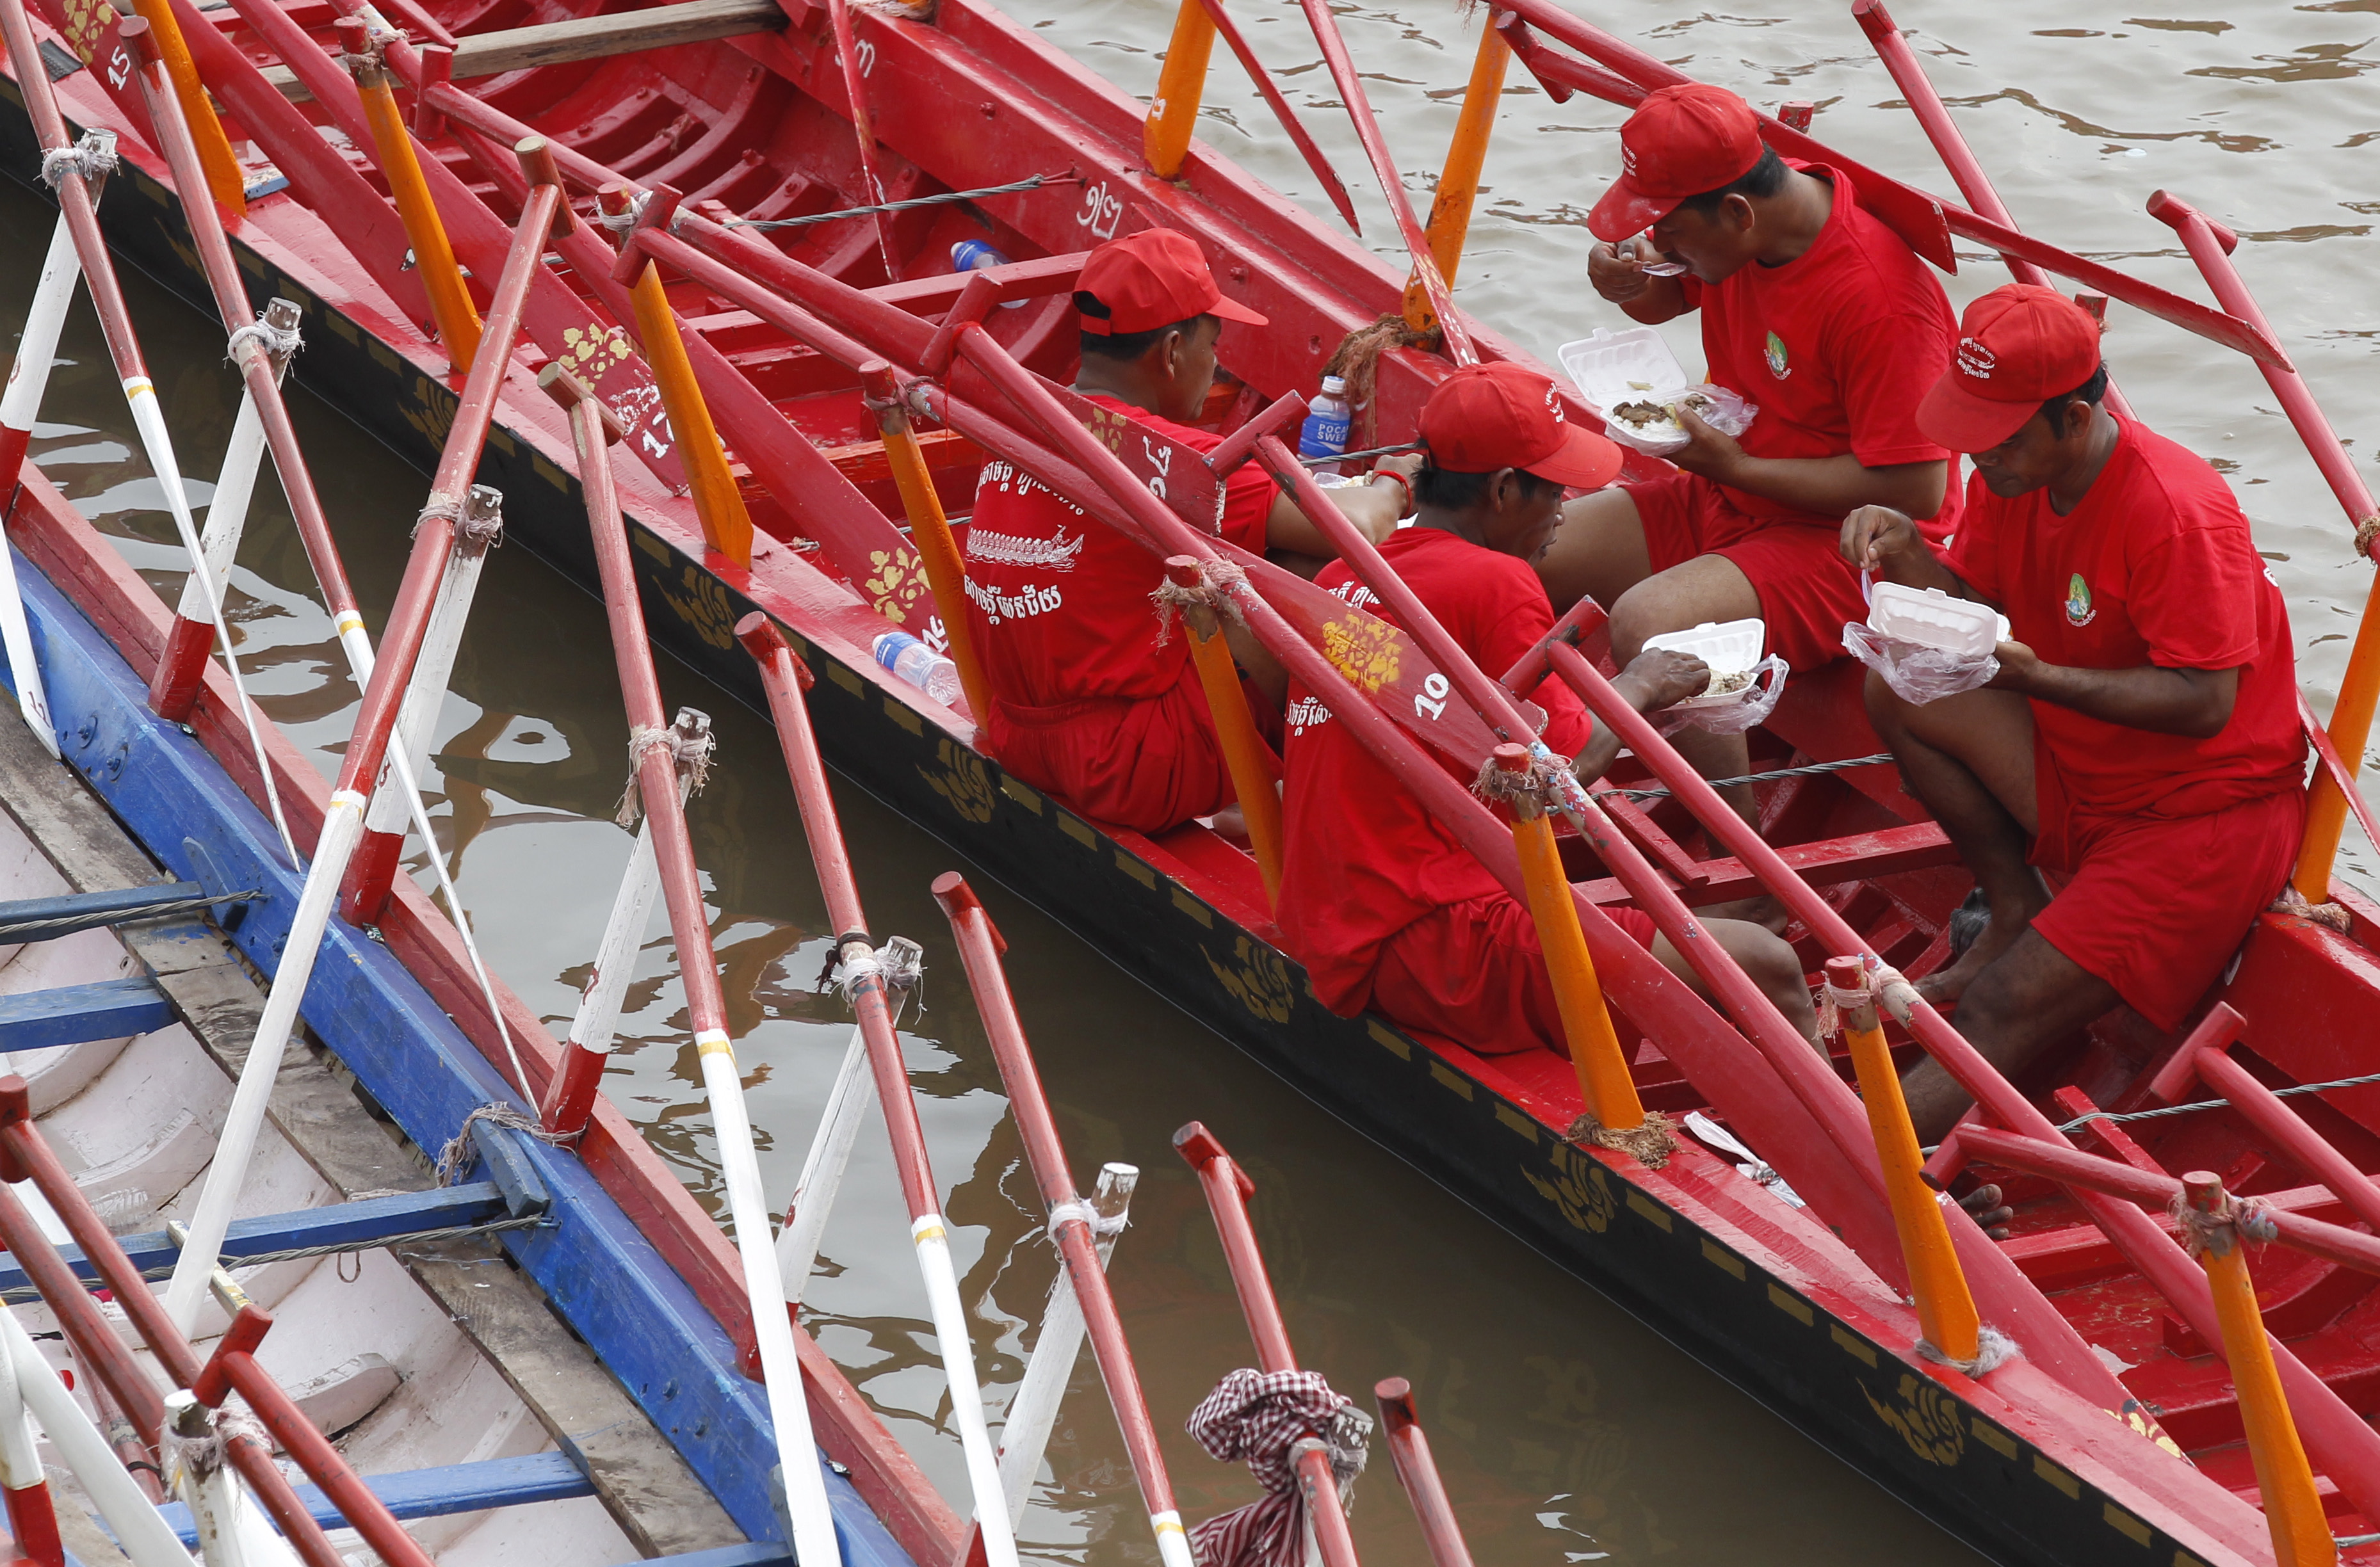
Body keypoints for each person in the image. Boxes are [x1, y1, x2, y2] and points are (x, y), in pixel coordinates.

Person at [1842, 285, 2307, 1140]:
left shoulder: (2175, 512)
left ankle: (1831, 1183)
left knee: (1996, 1007)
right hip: (2081, 764)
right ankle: (2017, 899)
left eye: (2003, 436)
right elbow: (1977, 601)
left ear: (2076, 417)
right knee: (1895, 689)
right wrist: (1912, 557)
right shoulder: (2010, 474)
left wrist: (2039, 679)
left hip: (2198, 819)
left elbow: (2207, 705)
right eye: (1973, 431)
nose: (1980, 458)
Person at [1275, 362, 1819, 1057]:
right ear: (1504, 490)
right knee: (1768, 965)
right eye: (1555, 489)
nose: (1565, 508)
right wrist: (1646, 681)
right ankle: (1848, 1162)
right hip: (1436, 943)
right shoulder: (1497, 580)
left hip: (1338, 924)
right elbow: (1567, 768)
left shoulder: (1346, 572)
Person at [1541, 83, 1960, 830]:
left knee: (1652, 624)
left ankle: (1743, 871)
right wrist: (1628, 285)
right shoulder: (1751, 227)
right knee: (1537, 547)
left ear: (1736, 214)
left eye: (1667, 233)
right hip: (1732, 492)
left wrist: (1736, 469)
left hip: (1847, 545)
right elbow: (1677, 294)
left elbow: (1918, 489)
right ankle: (1509, 746)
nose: (1658, 246)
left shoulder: (1878, 297)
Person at [963, 229, 1419, 833]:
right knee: (1317, 575)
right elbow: (1360, 526)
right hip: (1129, 772)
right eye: (1214, 347)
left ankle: (1253, 798)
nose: (1216, 367)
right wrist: (1397, 477)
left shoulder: (1028, 413)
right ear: (1173, 351)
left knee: (1238, 557)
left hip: (1019, 735)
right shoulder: (1172, 459)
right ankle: (1336, 807)